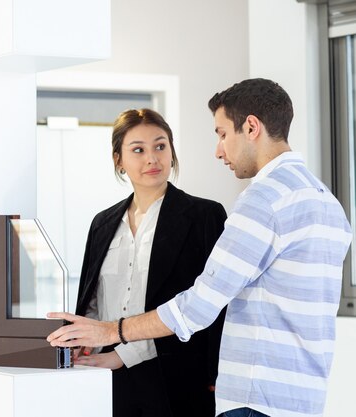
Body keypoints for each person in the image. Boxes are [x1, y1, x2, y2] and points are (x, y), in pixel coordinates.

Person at [47, 79, 352, 417]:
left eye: (222, 133)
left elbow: (200, 306)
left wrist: (113, 331)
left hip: (252, 397)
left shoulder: (262, 200)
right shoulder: (328, 203)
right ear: (118, 159)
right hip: (302, 400)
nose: (219, 149)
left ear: (251, 127)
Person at [73, 108, 227, 417]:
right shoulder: (102, 223)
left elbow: (212, 308)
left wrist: (215, 373)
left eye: (160, 146)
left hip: (176, 374)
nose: (152, 159)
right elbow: (92, 299)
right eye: (138, 150)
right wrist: (81, 343)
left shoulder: (205, 216)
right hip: (107, 373)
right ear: (119, 159)